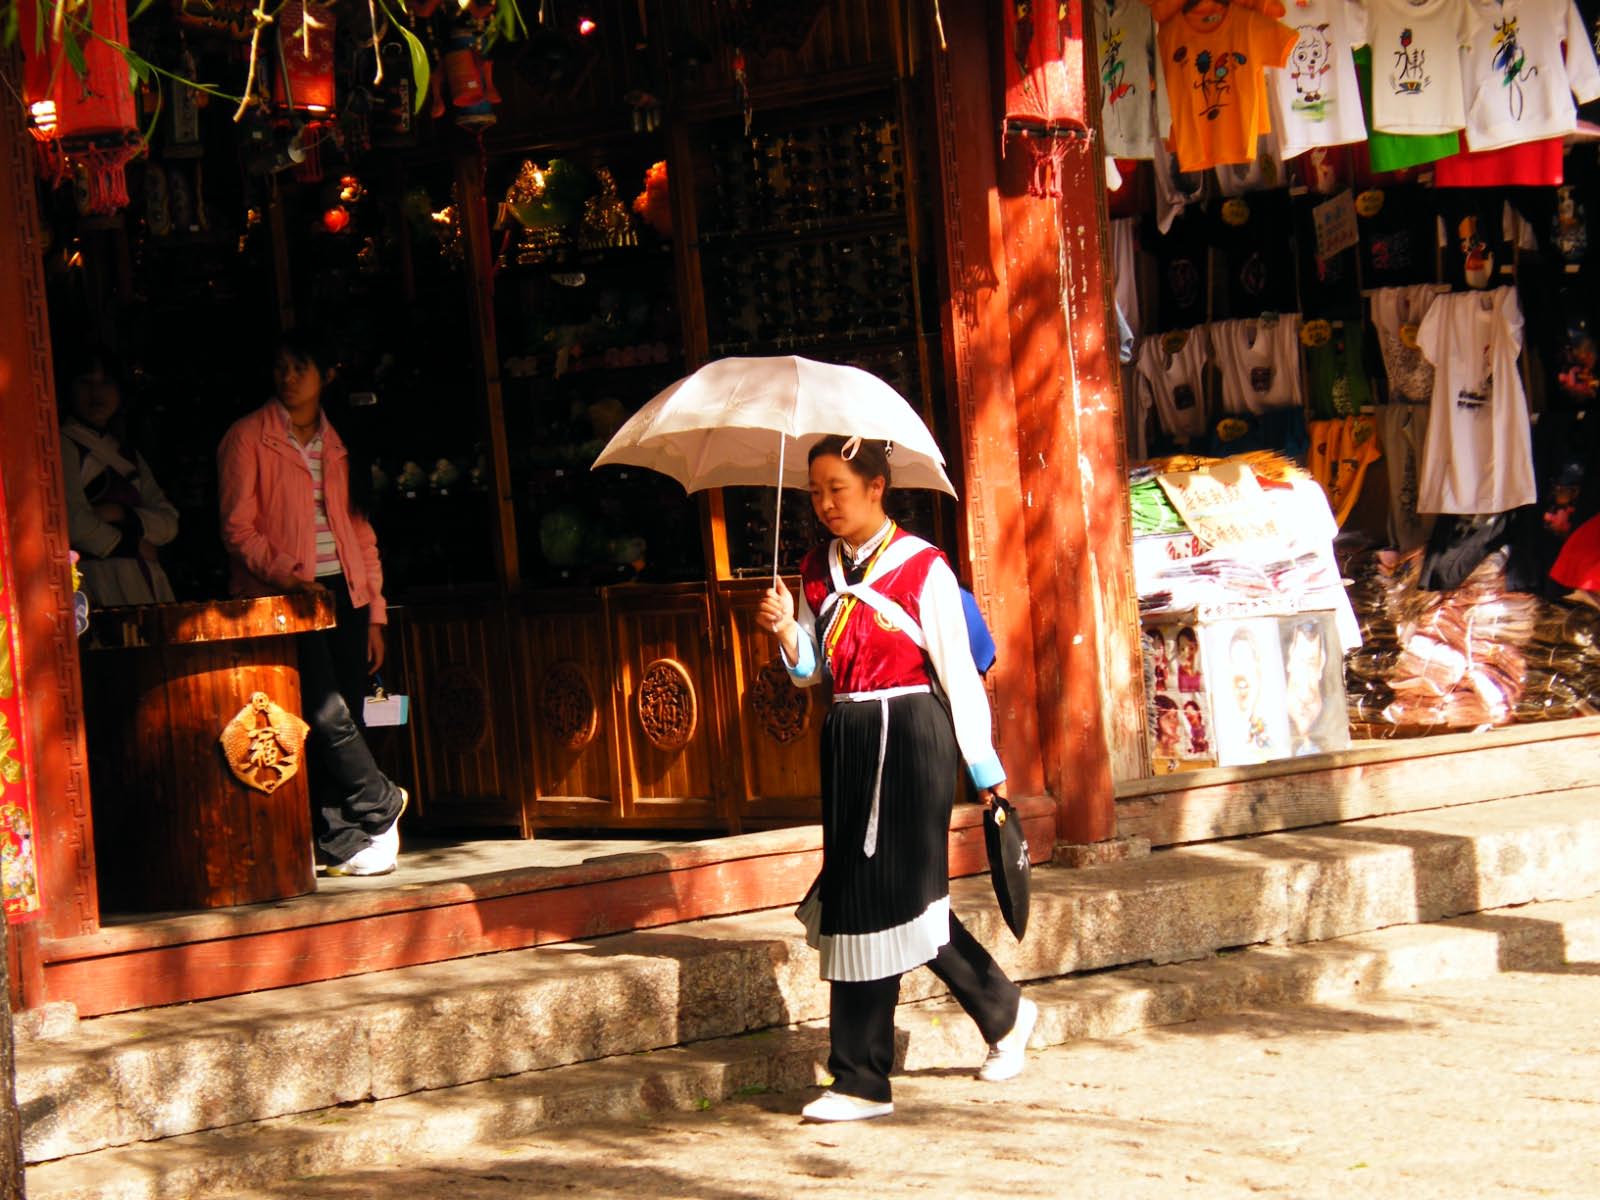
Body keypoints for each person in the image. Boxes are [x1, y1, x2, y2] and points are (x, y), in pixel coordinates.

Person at [758, 434, 1036, 1124]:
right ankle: (1005, 1013)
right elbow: (814, 672)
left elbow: (959, 677)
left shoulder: (923, 569)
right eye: (815, 492)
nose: (825, 504)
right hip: (849, 736)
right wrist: (787, 632)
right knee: (892, 897)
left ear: (877, 488)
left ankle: (860, 1079)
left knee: (874, 900)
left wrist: (986, 772)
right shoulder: (814, 571)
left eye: (838, 490)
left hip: (910, 737)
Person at [217, 329, 407, 877]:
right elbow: (238, 529)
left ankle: (340, 840)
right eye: (280, 367)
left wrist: (374, 611)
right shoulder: (247, 437)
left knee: (345, 709)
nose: (289, 377)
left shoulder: (342, 439)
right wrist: (290, 577)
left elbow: (361, 532)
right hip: (285, 595)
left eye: (301, 367)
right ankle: (381, 801)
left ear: (327, 375)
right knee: (321, 714)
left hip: (343, 592)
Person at [59, 352, 180, 607]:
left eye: (105, 383)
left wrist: (119, 513)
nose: (96, 392)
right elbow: (75, 525)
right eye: (85, 382)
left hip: (140, 580)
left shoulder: (127, 453)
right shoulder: (63, 445)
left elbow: (168, 523)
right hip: (94, 581)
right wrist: (132, 546)